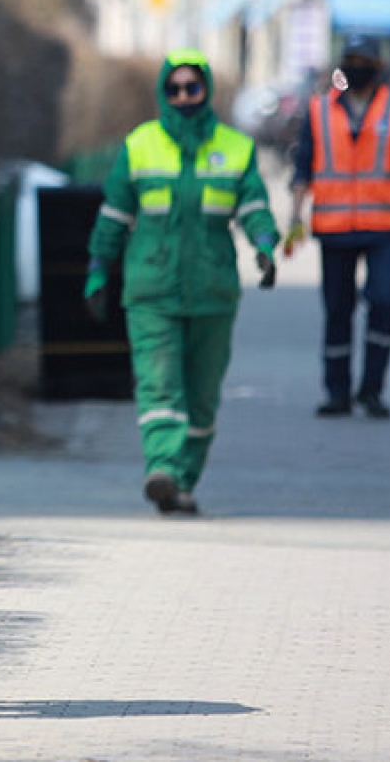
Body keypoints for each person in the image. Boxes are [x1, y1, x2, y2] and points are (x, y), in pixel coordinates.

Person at [84, 49, 279, 516]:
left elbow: (254, 205)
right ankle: (163, 468)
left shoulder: (236, 148)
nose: (184, 96)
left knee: (202, 392)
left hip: (212, 290)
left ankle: (185, 481)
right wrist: (96, 266)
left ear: (206, 91)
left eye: (193, 88)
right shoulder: (140, 145)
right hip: (151, 288)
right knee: (158, 384)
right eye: (174, 88)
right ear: (162, 92)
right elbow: (114, 214)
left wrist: (266, 245)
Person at [284, 34, 390, 419]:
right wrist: (294, 217)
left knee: (383, 302)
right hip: (334, 226)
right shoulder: (319, 110)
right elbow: (303, 164)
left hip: (385, 225)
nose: (356, 67)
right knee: (337, 310)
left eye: (363, 60)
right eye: (349, 60)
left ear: (378, 67)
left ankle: (372, 390)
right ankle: (337, 393)